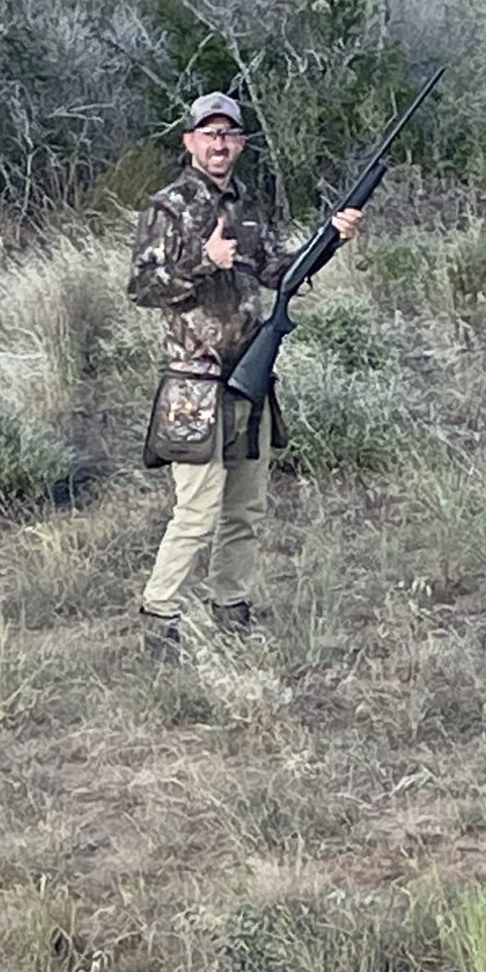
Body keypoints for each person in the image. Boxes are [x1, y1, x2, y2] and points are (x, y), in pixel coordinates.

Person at [127, 92, 364, 654]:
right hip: (193, 384)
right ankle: (159, 617)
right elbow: (142, 287)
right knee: (196, 511)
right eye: (209, 133)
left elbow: (280, 271)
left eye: (229, 134)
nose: (219, 143)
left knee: (245, 508)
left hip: (250, 379)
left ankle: (230, 605)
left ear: (240, 143)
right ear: (189, 141)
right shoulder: (169, 207)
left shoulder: (249, 204)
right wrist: (204, 262)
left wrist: (331, 238)